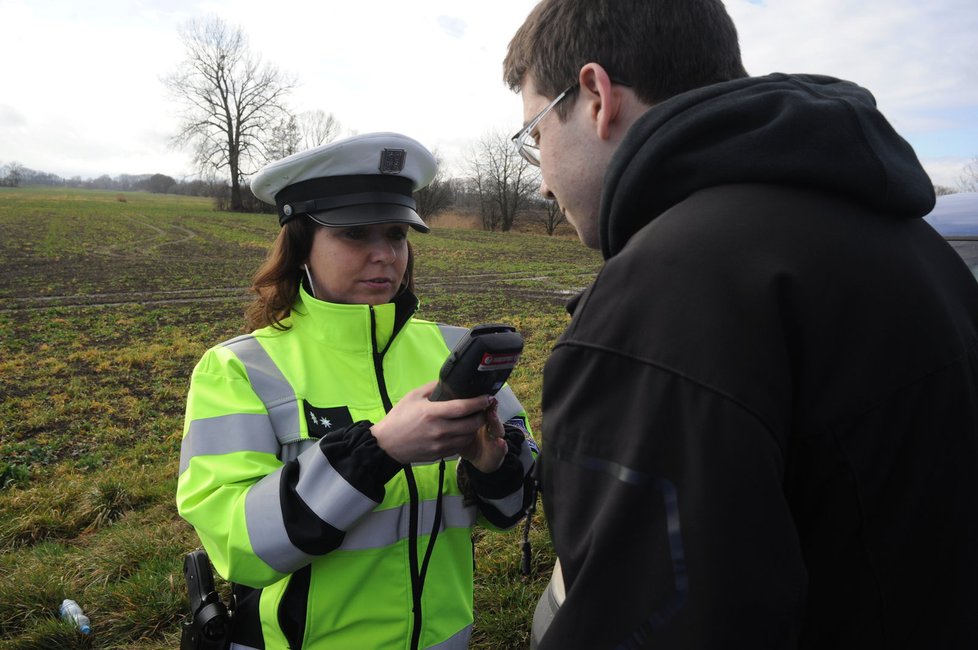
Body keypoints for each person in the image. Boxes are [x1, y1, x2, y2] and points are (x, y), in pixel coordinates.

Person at [503, 1, 978, 648]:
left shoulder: (664, 294)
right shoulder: (911, 243)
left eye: (534, 134)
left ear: (595, 96)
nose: (542, 185)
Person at [176, 132, 537, 650]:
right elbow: (237, 546)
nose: (384, 255)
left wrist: (493, 466)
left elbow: (514, 510)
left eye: (395, 234)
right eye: (354, 234)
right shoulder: (238, 370)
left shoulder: (453, 351)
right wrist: (380, 451)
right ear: (301, 248)